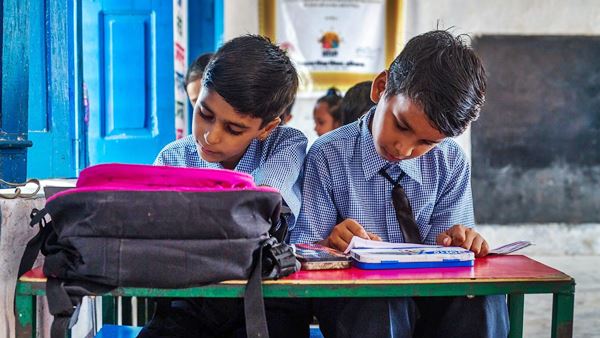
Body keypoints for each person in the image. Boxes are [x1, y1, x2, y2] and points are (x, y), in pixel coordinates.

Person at [291, 30, 509, 337]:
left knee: (482, 297)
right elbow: (304, 256)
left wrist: (460, 243)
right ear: (381, 88)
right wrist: (328, 246)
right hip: (360, 303)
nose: (404, 149)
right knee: (381, 297)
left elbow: (449, 262)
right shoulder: (328, 156)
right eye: (401, 125)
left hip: (430, 298)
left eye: (426, 142)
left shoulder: (450, 161)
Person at [141, 34, 307, 338]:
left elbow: (258, 202)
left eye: (234, 128)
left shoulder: (285, 143)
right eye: (204, 113)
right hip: (191, 300)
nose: (211, 137)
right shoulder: (173, 157)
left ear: (267, 128)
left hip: (269, 300)